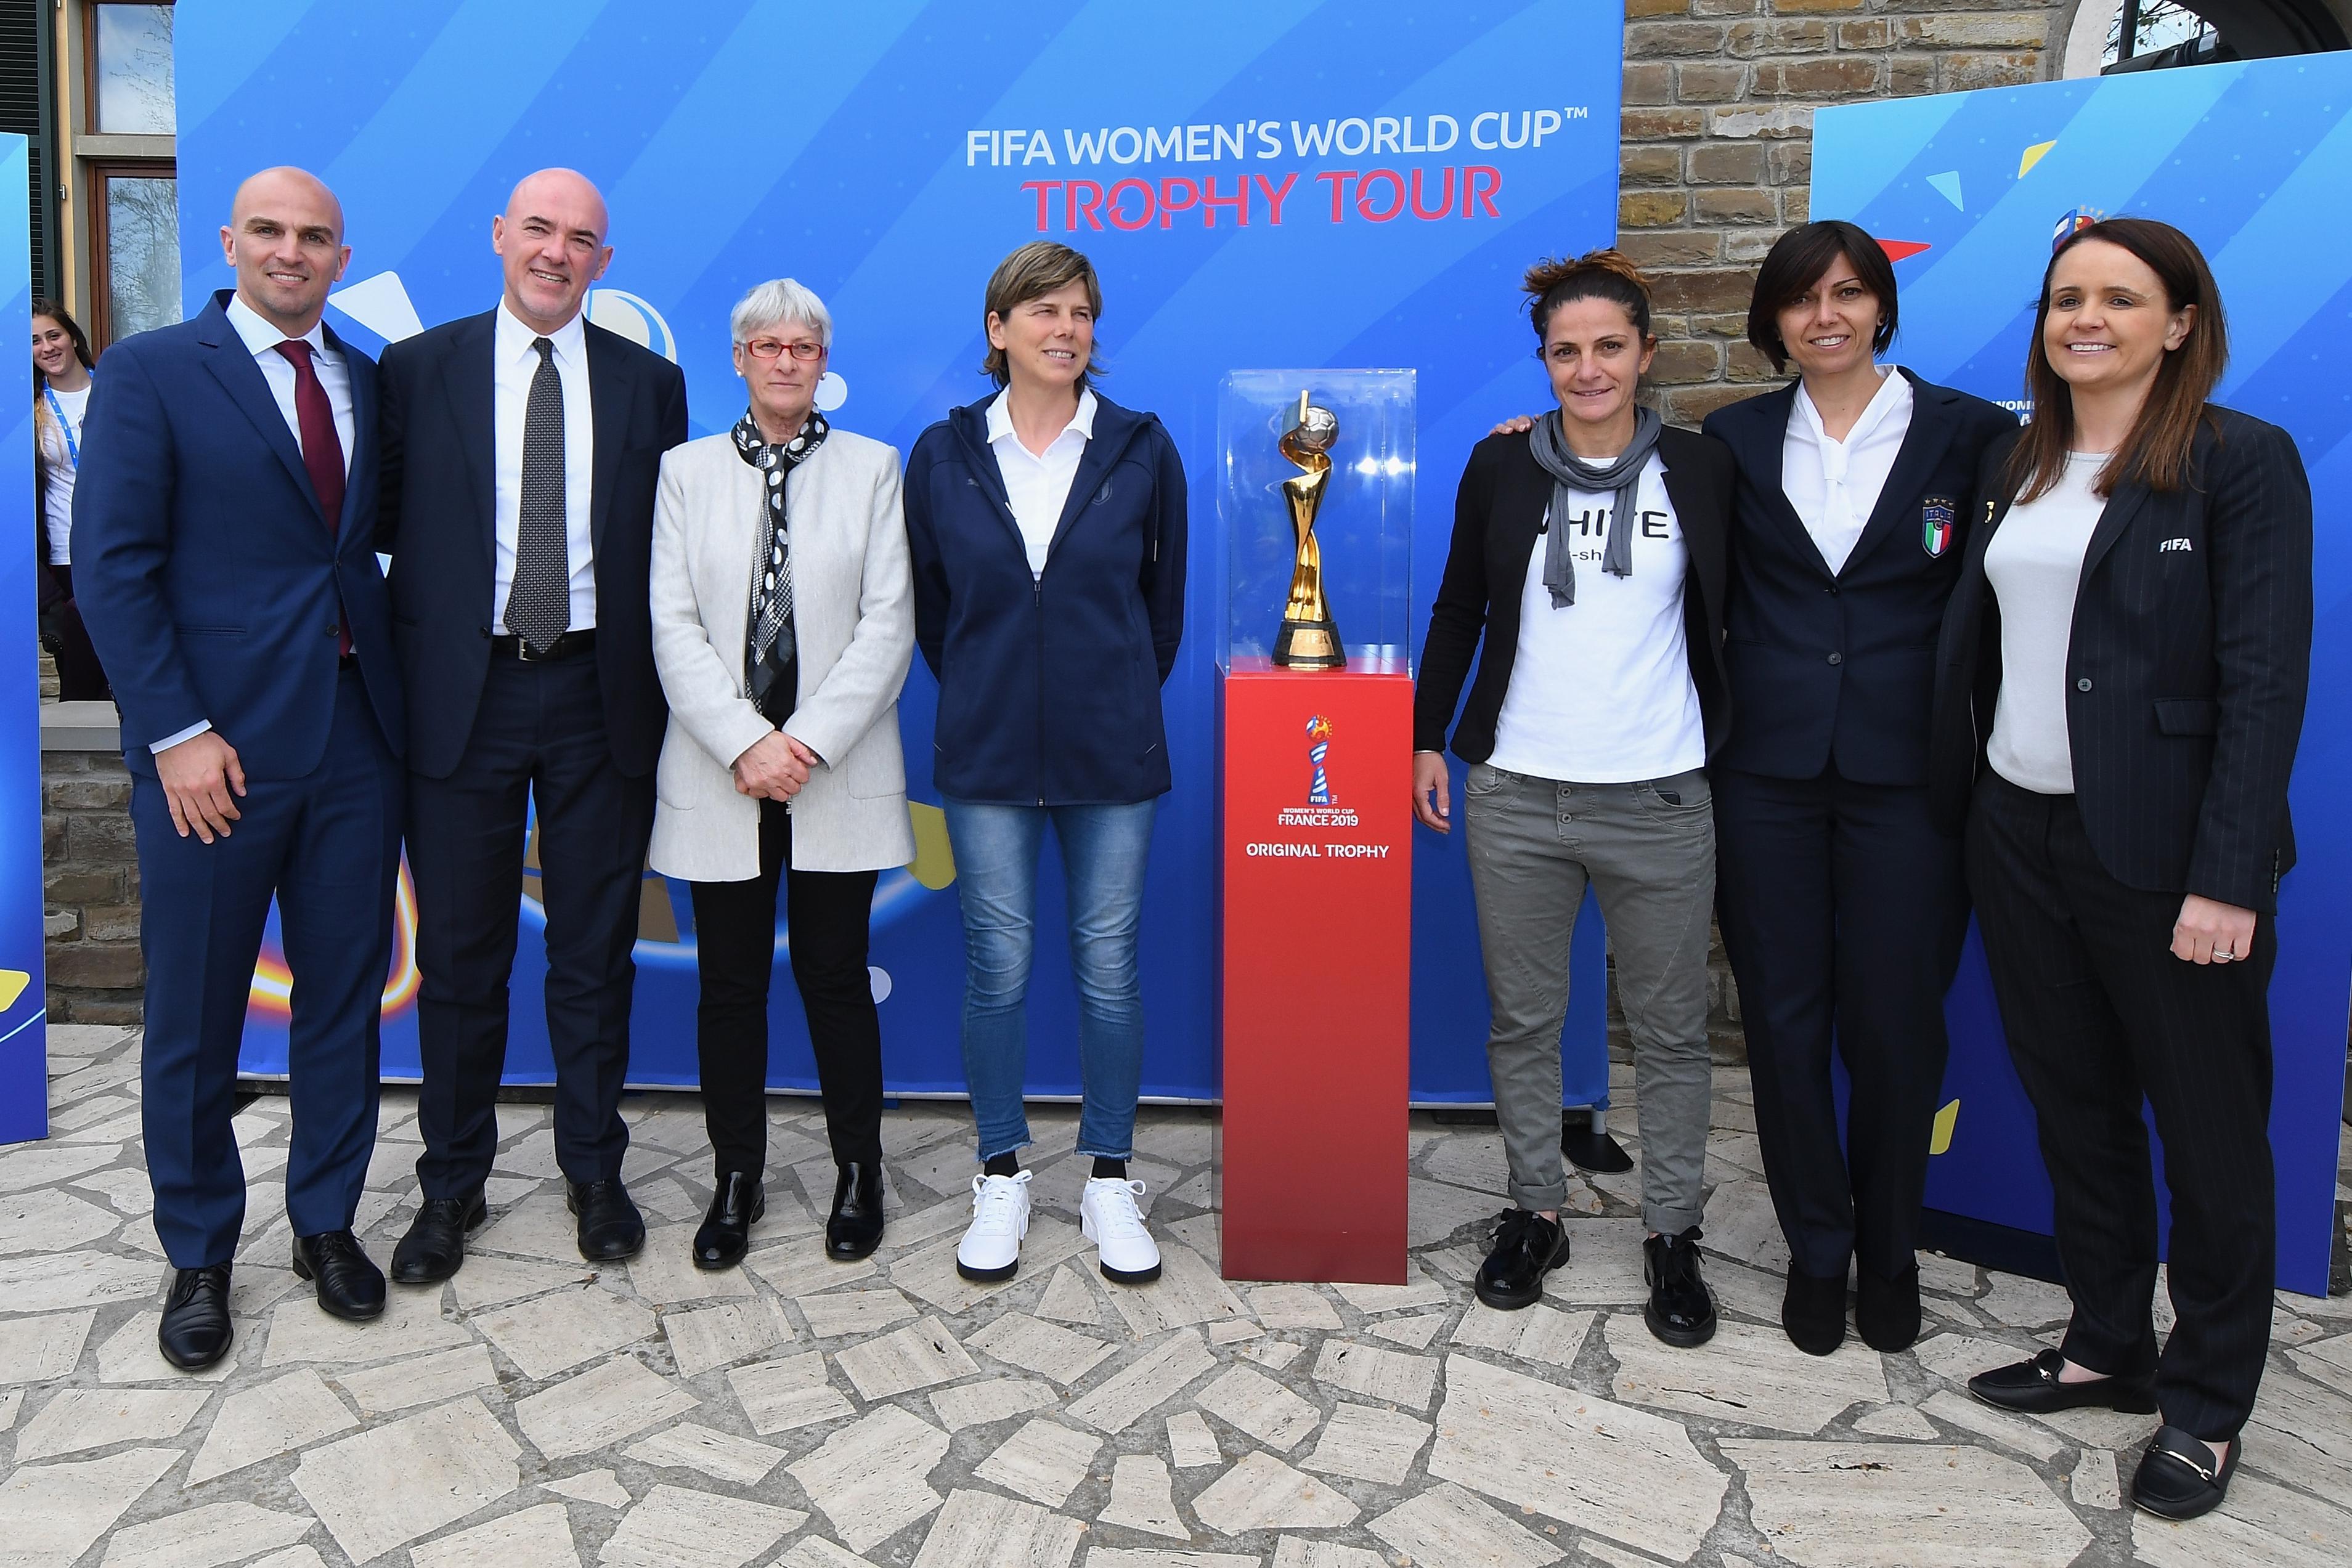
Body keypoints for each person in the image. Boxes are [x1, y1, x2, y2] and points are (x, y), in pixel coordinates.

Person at [1929, 218, 2310, 1521]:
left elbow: (2263, 682)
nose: (2084, 318)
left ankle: (2206, 1408)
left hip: (2168, 863)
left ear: (2180, 321)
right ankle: (2107, 1342)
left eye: (2118, 298)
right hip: (2019, 835)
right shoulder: (2013, 459)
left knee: (2208, 1141)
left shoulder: (2237, 463)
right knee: (2073, 1107)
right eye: (2064, 299)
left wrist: (2227, 879)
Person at [74, 168, 405, 1368]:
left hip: (359, 743)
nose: (292, 251)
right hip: (211, 757)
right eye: (269, 231)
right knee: (196, 1017)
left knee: (342, 1005)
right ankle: (200, 1252)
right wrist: (173, 732)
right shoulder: (153, 371)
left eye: (315, 235)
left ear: (339, 252)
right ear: (228, 242)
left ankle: (325, 1223)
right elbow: (112, 567)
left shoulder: (366, 380)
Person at [1698, 222, 2016, 1356]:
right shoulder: (1728, 438)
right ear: (1772, 321)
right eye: (1798, 299)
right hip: (1765, 777)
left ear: (1881, 306)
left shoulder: (1972, 434)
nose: (1822, 316)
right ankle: (1815, 1250)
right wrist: (1522, 444)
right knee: (1782, 1026)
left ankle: (1889, 1252)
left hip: (1909, 780)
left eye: (1846, 294)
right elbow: (1621, 483)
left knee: (1895, 1028)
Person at [1415, 251, 1734, 1345]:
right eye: (1566, 351)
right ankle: (1534, 1212)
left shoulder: (1703, 469)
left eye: (1609, 347)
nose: (1587, 368)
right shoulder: (1502, 467)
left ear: (1647, 354)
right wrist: (1428, 741)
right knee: (1525, 1020)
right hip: (1516, 792)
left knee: (1670, 1029)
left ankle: (1671, 1236)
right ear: (1543, 362)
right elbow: (1459, 608)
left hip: (1658, 795)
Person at [378, 169, 689, 1281]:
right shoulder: (417, 372)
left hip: (602, 694)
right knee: (460, 960)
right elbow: (374, 527)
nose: (558, 252)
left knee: (592, 954)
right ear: (501, 237)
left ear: (605, 262)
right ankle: (450, 1189)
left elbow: (668, 553)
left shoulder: (653, 384)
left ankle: (593, 1172)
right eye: (541, 230)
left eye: (584, 239)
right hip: (464, 696)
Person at [904, 241, 1187, 1286]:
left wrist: (1097, 693)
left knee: (1108, 964)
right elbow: (939, 615)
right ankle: (1002, 1173)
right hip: (981, 756)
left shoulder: (1142, 449)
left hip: (1112, 753)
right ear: (997, 331)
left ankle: (1109, 1177)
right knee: (999, 966)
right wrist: (993, 690)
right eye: (1042, 312)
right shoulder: (941, 456)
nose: (1064, 329)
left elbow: (1159, 615)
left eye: (1079, 313)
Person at [648, 279, 915, 1269]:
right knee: (728, 987)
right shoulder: (683, 474)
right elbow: (671, 624)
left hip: (830, 771)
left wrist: (802, 743)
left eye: (804, 345)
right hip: (723, 771)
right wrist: (744, 743)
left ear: (823, 360)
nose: (786, 359)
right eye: (768, 344)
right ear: (739, 359)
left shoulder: (874, 470)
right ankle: (736, 1179)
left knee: (834, 976)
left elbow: (890, 627)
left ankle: (858, 1172)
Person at [33, 299, 109, 701]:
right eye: (34, 341)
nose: (46, 347)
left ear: (73, 337)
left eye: (53, 334)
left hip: (118, 546)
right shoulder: (31, 411)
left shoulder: (115, 390)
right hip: (65, 557)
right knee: (79, 676)